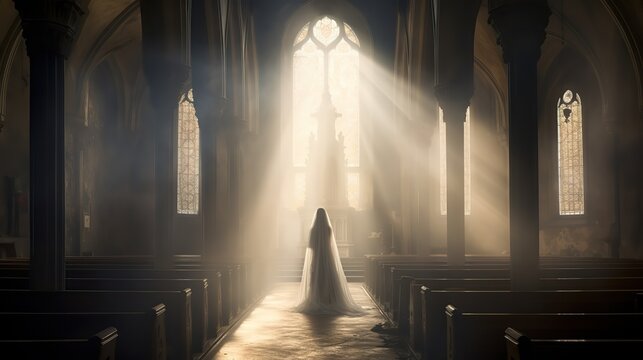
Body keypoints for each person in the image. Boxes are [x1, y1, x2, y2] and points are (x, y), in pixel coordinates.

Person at [294, 208, 365, 315]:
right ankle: (329, 299)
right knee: (328, 277)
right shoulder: (328, 229)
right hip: (328, 257)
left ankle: (316, 298)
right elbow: (330, 245)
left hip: (317, 257)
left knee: (316, 278)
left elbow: (311, 246)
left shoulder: (313, 230)